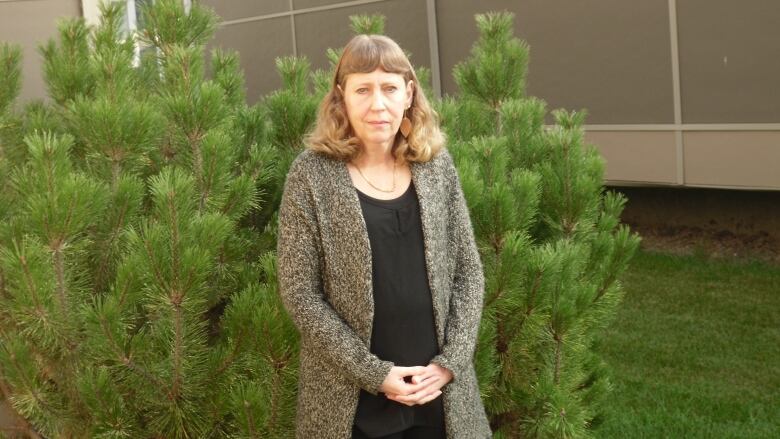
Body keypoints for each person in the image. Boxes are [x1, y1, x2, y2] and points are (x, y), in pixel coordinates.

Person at [277, 34, 491, 438]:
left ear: (408, 94)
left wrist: (451, 363)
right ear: (342, 96)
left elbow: (468, 271)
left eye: (390, 88)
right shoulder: (311, 175)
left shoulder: (435, 166)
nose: (378, 104)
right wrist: (374, 374)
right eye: (363, 89)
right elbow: (299, 294)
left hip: (440, 398)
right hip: (351, 403)